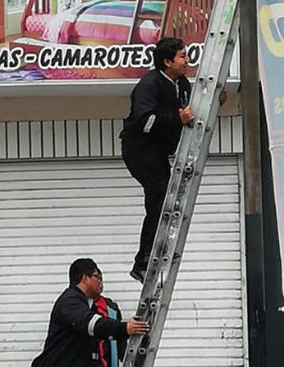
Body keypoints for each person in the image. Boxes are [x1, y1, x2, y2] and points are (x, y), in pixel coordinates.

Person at [121, 37, 225, 283]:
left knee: (163, 197)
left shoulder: (181, 84)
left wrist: (215, 101)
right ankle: (143, 261)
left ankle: (151, 254)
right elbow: (144, 122)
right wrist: (176, 118)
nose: (187, 60)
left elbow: (191, 110)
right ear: (167, 61)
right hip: (139, 149)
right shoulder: (150, 85)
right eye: (182, 56)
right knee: (158, 194)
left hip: (158, 150)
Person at [31, 258, 149, 367]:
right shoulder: (70, 302)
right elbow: (92, 324)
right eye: (97, 277)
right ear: (85, 279)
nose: (101, 282)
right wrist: (125, 328)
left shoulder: (91, 305)